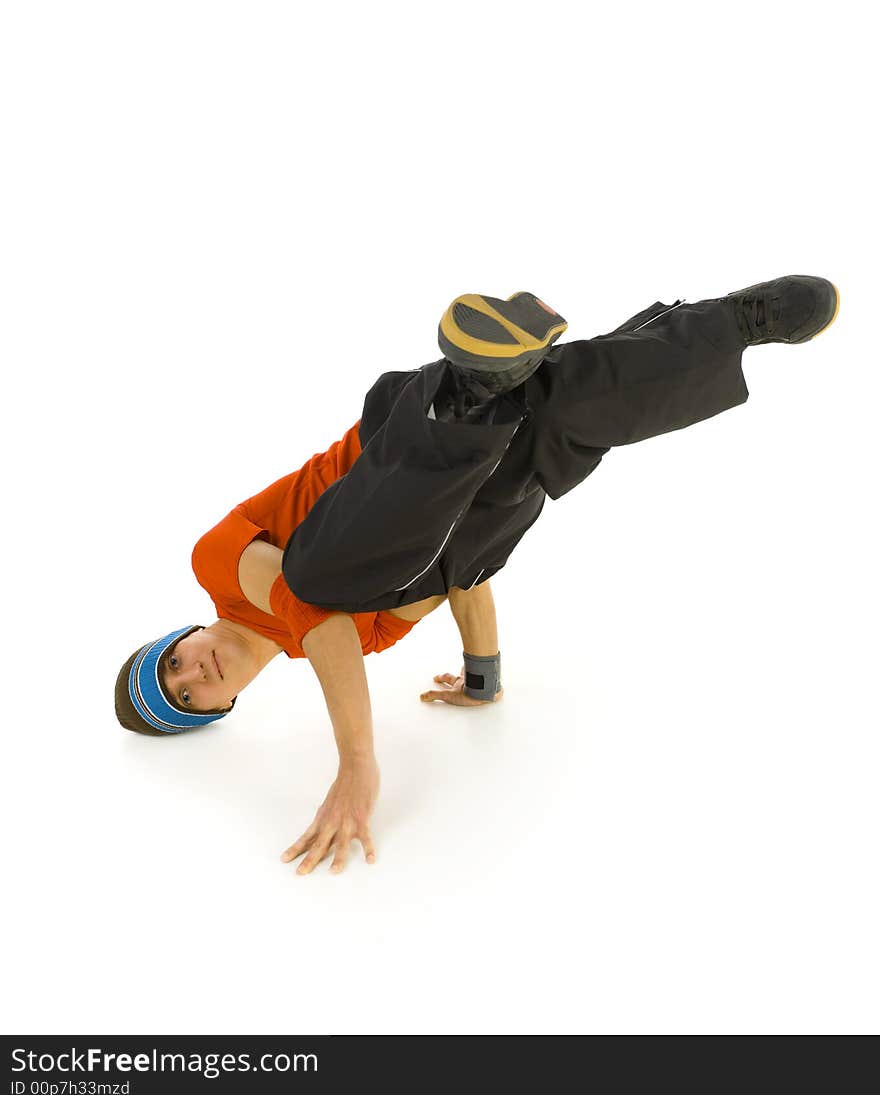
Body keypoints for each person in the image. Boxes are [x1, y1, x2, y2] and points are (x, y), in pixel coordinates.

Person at [114, 275, 840, 875]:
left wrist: (358, 762)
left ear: (182, 632)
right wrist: (484, 672)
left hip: (397, 442)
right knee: (563, 412)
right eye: (188, 694)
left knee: (320, 575)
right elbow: (457, 575)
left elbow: (312, 606)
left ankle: (465, 396)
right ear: (222, 706)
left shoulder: (216, 564)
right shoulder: (360, 646)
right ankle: (736, 323)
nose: (194, 670)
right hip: (481, 501)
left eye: (172, 659)